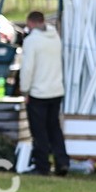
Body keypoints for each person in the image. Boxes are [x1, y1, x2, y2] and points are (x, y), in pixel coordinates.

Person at [20, 10, 70, 176]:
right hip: (56, 91)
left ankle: (42, 166)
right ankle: (62, 162)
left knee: (39, 131)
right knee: (54, 129)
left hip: (38, 93)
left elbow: (27, 69)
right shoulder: (55, 37)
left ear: (31, 23)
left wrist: (25, 90)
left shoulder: (31, 41)